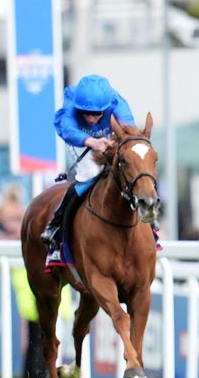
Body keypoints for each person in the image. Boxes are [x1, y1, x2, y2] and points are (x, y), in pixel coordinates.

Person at [40, 75, 136, 263]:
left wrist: (116, 144)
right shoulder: (71, 99)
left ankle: (147, 223)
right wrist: (91, 141)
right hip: (79, 140)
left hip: (109, 138)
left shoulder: (117, 102)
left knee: (127, 171)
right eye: (86, 113)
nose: (91, 118)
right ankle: (56, 228)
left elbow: (129, 131)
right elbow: (67, 129)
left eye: (97, 114)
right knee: (91, 173)